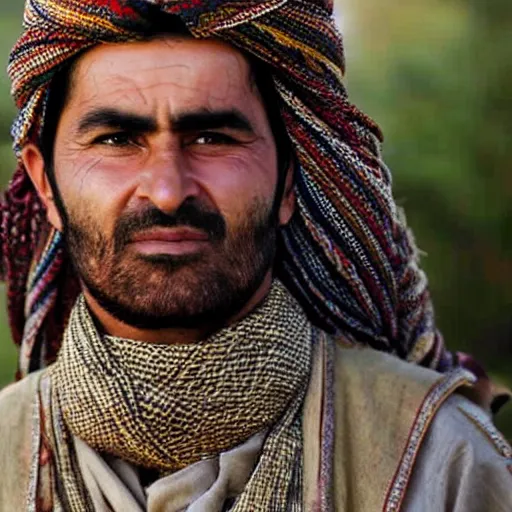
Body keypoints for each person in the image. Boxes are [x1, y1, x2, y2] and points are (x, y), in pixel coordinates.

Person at [0, 0, 510, 510]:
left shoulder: (441, 458)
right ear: (46, 185)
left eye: (211, 137)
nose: (167, 190)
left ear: (288, 179)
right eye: (117, 139)